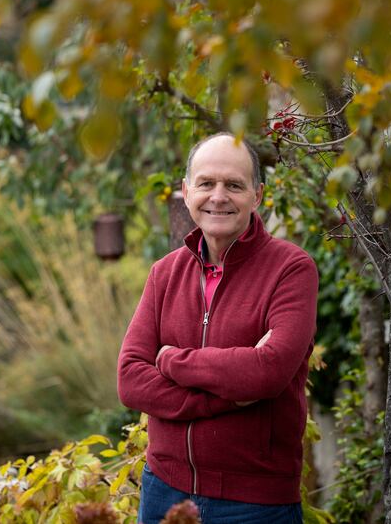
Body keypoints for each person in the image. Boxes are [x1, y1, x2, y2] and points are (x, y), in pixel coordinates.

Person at [117, 132, 318, 524]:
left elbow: (269, 373)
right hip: (163, 492)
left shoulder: (291, 270)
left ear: (257, 195)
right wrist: (222, 398)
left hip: (254, 504)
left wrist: (171, 360)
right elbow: (130, 379)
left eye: (234, 185)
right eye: (206, 183)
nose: (218, 196)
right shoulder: (165, 273)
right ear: (186, 191)